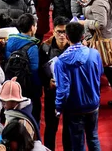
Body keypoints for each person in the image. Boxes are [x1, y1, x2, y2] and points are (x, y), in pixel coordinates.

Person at [54, 22, 103, 151]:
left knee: (77, 142)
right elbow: (100, 74)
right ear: (82, 36)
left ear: (67, 37)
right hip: (93, 103)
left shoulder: (61, 61)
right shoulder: (94, 54)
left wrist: (58, 107)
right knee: (93, 137)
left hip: (74, 108)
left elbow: (62, 89)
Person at [39, 17, 70, 151]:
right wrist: (47, 82)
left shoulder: (74, 47)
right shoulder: (45, 47)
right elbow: (39, 69)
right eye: (59, 32)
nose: (62, 35)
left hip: (70, 94)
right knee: (51, 126)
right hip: (52, 93)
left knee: (69, 127)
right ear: (53, 31)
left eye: (64, 32)